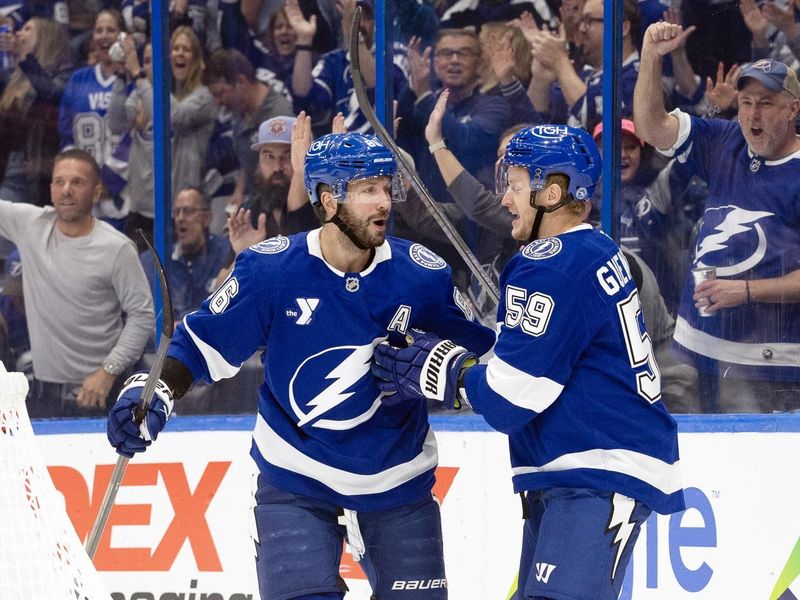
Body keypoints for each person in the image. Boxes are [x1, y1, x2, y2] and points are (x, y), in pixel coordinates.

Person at [106, 132, 495, 599]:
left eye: (387, 187)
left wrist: (455, 372)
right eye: (367, 189)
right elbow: (198, 347)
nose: (384, 202)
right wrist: (153, 392)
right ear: (328, 199)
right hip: (297, 481)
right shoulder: (272, 271)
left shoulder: (422, 275)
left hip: (398, 484)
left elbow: (488, 365)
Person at [373, 125, 685, 600]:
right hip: (582, 469)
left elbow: (509, 399)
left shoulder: (551, 260)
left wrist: (441, 370)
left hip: (597, 469)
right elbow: (541, 354)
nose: (505, 199)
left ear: (553, 192)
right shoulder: (594, 249)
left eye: (516, 185)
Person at [635, 23, 800, 413]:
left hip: (769, 366)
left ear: (793, 108)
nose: (752, 114)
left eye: (766, 103)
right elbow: (651, 127)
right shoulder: (725, 141)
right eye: (745, 102)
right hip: (694, 351)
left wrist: (743, 291)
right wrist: (650, 58)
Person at [0, 148, 153, 417]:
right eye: (59, 182)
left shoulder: (117, 248)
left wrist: (108, 372)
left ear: (96, 192)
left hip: (103, 390)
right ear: (50, 189)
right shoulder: (29, 224)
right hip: (43, 392)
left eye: (77, 182)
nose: (66, 190)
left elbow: (142, 316)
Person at [108, 26, 216, 246]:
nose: (180, 53)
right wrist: (121, 76)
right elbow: (116, 123)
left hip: (177, 213)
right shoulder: (146, 92)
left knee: (170, 280)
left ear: (196, 59)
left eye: (186, 49)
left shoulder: (203, 97)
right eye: (175, 48)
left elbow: (173, 115)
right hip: (140, 211)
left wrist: (139, 75)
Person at [58, 9, 128, 227]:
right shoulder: (78, 79)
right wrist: (76, 179)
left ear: (123, 36)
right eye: (99, 30)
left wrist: (108, 182)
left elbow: (136, 134)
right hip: (84, 194)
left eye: (111, 30)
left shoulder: (131, 78)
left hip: (122, 196)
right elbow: (66, 134)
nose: (104, 35)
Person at [204, 47, 294, 209]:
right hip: (257, 204)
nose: (218, 102)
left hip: (281, 206)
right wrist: (239, 192)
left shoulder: (279, 115)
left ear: (241, 81)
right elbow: (248, 159)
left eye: (221, 93)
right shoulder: (239, 109)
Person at [0, 17, 71, 208]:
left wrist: (24, 57)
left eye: (27, 29)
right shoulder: (12, 79)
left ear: (45, 38)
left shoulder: (63, 76)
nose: (18, 34)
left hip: (33, 176)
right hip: (7, 170)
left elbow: (53, 97)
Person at [140, 187, 231, 322]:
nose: (180, 218)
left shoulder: (226, 254)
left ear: (207, 218)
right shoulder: (153, 260)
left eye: (188, 212)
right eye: (177, 212)